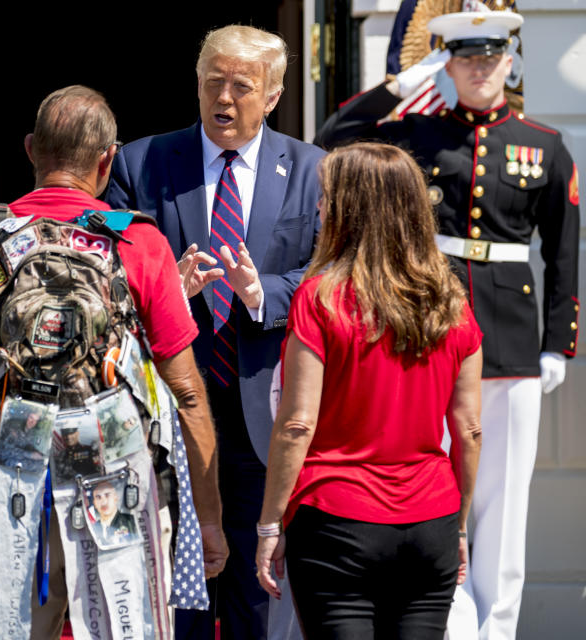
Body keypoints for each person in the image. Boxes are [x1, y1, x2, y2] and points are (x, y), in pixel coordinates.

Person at [0, 85, 228, 638]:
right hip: (111, 480)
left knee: (1, 622)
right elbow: (188, 394)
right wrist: (207, 519)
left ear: (32, 149)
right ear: (108, 160)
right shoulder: (140, 243)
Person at [314, 9, 579, 639]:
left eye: (490, 58)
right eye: (465, 58)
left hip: (512, 337)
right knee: (438, 488)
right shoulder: (420, 135)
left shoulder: (543, 144)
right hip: (429, 328)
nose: (479, 69)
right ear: (447, 64)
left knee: (504, 500)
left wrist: (557, 344)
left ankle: (499, 628)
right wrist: (400, 90)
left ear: (509, 61)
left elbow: (563, 251)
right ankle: (450, 626)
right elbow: (335, 133)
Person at [104, 25, 325, 639]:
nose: (223, 99)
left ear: (274, 95)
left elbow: (328, 271)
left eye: (241, 87)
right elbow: (107, 271)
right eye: (212, 84)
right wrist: (164, 290)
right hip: (170, 413)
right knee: (182, 601)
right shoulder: (141, 161)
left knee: (260, 594)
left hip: (268, 416)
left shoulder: (313, 170)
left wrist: (265, 293)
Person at [255, 141, 483, 639]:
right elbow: (468, 429)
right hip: (432, 518)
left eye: (327, 197)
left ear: (350, 209)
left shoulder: (320, 298)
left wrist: (270, 524)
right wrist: (460, 525)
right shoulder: (451, 302)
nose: (319, 208)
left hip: (336, 518)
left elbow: (296, 423)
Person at [90, 480, 138, 546]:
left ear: (115, 497)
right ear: (94, 503)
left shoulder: (131, 521)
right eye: (98, 497)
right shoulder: (92, 528)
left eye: (107, 495)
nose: (104, 502)